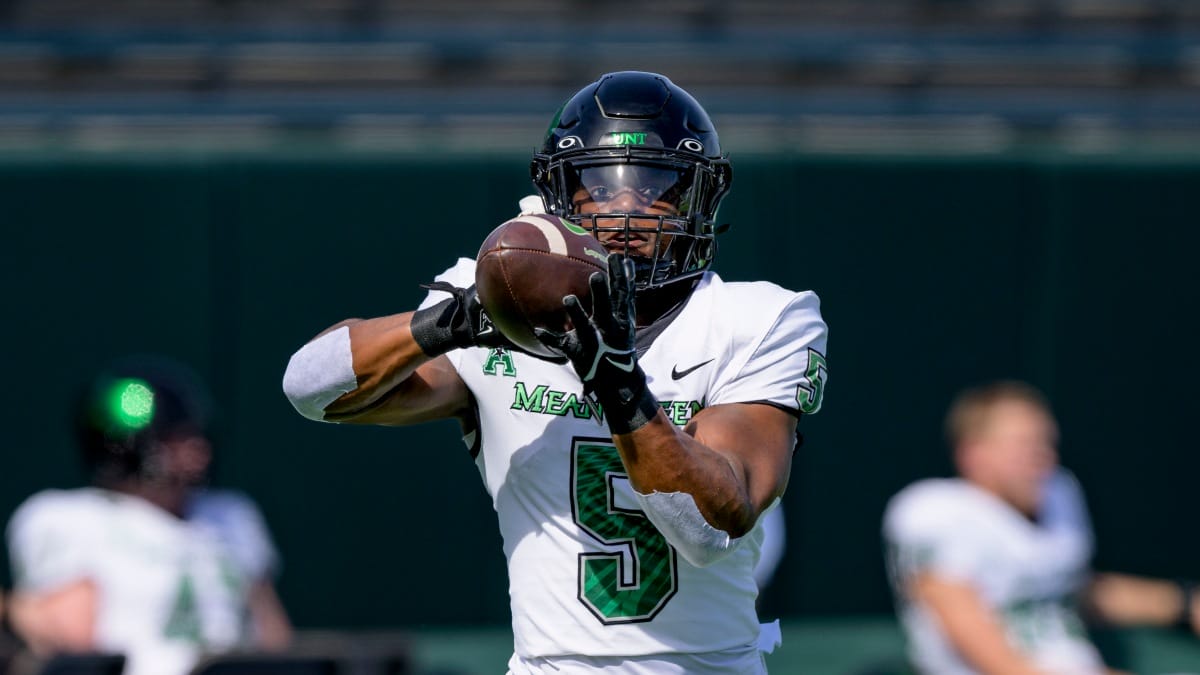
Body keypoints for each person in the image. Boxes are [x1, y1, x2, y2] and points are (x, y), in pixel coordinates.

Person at [282, 70, 829, 674]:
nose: (626, 207)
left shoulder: (761, 318)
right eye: (599, 185)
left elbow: (707, 529)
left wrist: (616, 382)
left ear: (698, 197)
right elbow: (309, 388)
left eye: (656, 184)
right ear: (559, 195)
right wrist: (450, 322)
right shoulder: (494, 306)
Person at [882, 380, 1199, 675]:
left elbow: (1071, 590)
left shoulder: (1059, 493)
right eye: (1024, 445)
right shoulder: (932, 512)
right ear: (973, 454)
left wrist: (1184, 603)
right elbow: (1003, 664)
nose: (1042, 456)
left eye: (1046, 442)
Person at [6, 355, 292, 675]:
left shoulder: (232, 515)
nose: (196, 449)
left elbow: (273, 636)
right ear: (124, 444)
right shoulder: (67, 517)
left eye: (194, 435)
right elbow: (76, 643)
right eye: (174, 438)